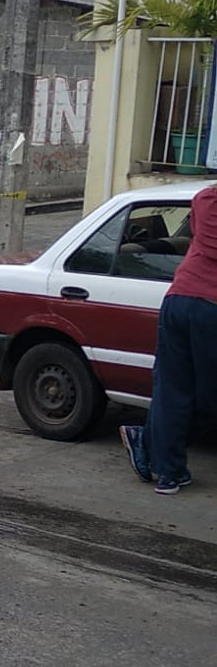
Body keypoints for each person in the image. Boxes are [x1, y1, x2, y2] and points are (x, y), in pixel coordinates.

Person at [120, 181, 217, 494]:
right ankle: (150, 447)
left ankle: (167, 473)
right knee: (205, 396)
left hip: (178, 298)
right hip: (211, 308)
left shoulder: (204, 198)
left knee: (172, 390)